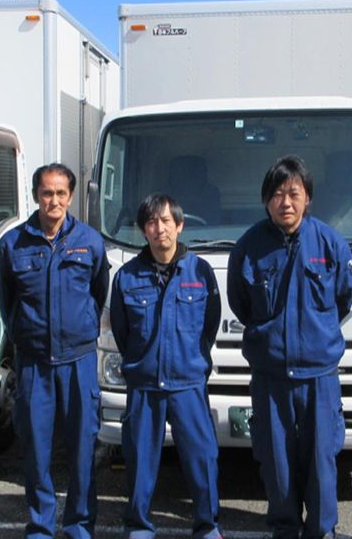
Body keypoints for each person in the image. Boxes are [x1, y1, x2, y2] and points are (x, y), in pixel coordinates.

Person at [227, 155, 352, 539]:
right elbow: (241, 303)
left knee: (321, 461)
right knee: (276, 461)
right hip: (271, 377)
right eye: (277, 194)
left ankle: (321, 532)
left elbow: (344, 298)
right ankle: (284, 530)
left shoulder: (330, 244)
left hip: (319, 378)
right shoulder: (249, 248)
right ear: (266, 200)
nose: (285, 202)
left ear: (307, 198)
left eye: (293, 193)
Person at [0, 163, 109, 538]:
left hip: (78, 361)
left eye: (61, 193)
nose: (54, 201)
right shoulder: (13, 244)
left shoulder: (90, 241)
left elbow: (99, 291)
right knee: (36, 449)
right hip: (34, 364)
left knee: (82, 449)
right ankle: (41, 526)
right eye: (47, 193)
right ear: (35, 196)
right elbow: (7, 300)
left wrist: (80, 329)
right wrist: (26, 337)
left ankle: (79, 525)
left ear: (71, 196)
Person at [110, 194, 223, 539]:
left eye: (166, 221)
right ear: (144, 230)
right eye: (151, 222)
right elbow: (122, 331)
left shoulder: (200, 272)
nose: (160, 228)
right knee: (140, 460)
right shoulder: (127, 277)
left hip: (188, 383)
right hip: (145, 385)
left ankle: (207, 526)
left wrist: (190, 360)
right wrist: (144, 361)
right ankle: (139, 526)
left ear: (179, 226)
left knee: (202, 458)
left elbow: (209, 326)